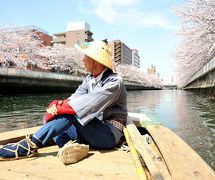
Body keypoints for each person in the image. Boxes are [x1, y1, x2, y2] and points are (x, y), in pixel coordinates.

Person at [0, 40, 128, 162]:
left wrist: (60, 108)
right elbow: (74, 98)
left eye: (85, 57)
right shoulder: (89, 79)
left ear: (95, 60)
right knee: (50, 115)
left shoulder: (114, 82)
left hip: (107, 135)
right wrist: (57, 105)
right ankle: (68, 147)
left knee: (69, 113)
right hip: (88, 129)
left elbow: (84, 105)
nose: (83, 60)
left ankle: (28, 146)